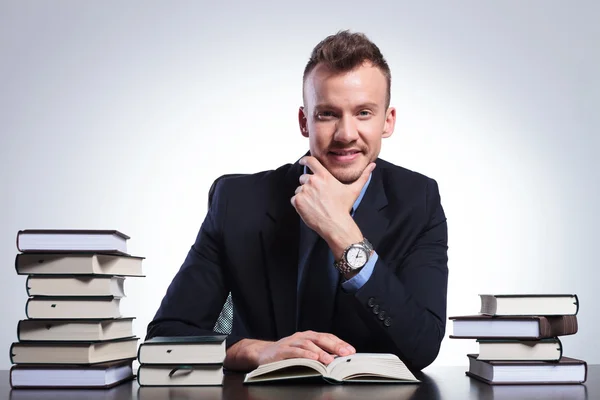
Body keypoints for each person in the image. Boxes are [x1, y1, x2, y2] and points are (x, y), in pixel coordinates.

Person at [146, 30, 448, 372]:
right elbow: (166, 339)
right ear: (305, 121)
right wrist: (253, 351)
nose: (346, 133)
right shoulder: (236, 201)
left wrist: (343, 235)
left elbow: (422, 347)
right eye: (328, 114)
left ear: (387, 121)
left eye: (364, 112)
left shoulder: (418, 201)